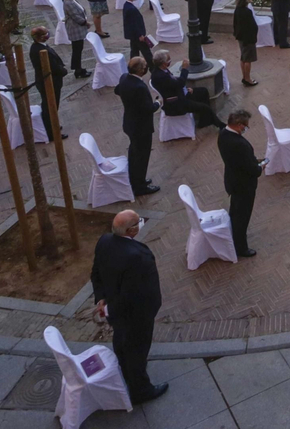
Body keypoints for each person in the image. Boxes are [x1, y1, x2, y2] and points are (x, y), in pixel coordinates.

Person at [91, 210, 167, 403]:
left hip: (115, 312)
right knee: (138, 348)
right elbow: (135, 295)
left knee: (122, 341)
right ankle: (141, 390)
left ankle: (126, 370)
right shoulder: (138, 256)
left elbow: (96, 273)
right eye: (138, 222)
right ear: (132, 230)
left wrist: (101, 300)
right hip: (135, 315)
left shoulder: (104, 241)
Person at [217, 110, 261, 257]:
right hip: (243, 185)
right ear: (238, 125)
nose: (246, 128)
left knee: (235, 212)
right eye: (245, 126)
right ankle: (241, 247)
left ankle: (234, 238)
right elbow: (252, 169)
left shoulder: (223, 134)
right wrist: (259, 167)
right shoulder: (239, 144)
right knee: (242, 216)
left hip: (232, 181)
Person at [116, 57, 160, 196]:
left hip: (129, 123)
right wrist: (158, 103)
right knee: (142, 156)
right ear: (141, 70)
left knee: (134, 152)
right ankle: (140, 186)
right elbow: (148, 108)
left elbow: (117, 91)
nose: (147, 67)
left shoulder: (124, 78)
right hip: (141, 128)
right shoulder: (139, 87)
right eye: (145, 65)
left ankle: (135, 179)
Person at [151, 50, 227, 129]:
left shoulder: (161, 70)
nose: (170, 61)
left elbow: (172, 85)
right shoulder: (159, 76)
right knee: (205, 108)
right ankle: (220, 125)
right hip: (176, 102)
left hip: (179, 93)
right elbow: (180, 83)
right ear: (163, 63)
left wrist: (185, 89)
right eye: (168, 60)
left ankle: (204, 121)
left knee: (203, 91)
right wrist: (184, 69)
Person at [28, 26, 68, 139]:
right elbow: (53, 67)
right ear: (39, 37)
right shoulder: (39, 50)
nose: (47, 35)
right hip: (49, 83)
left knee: (52, 106)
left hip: (49, 81)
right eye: (45, 34)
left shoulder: (39, 46)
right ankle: (52, 133)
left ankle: (52, 125)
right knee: (50, 107)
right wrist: (63, 71)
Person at [62, 0, 92, 78]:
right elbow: (75, 16)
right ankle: (77, 69)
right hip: (75, 29)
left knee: (78, 49)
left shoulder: (72, 0)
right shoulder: (68, 3)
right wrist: (85, 23)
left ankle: (78, 68)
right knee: (77, 50)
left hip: (78, 28)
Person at [122, 0, 153, 65]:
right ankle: (153, 67)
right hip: (137, 35)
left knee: (134, 52)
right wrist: (140, 35)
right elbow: (134, 24)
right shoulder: (131, 9)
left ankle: (133, 66)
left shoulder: (126, 6)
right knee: (146, 53)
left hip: (133, 35)